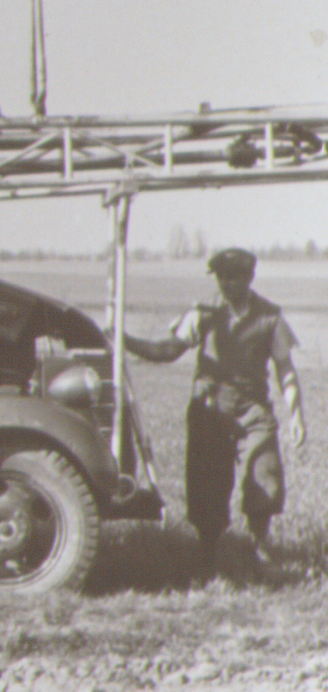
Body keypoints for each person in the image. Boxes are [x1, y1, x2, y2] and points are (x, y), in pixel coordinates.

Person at [123, 247, 306, 582]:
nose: (225, 283)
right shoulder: (203, 313)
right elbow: (167, 350)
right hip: (210, 407)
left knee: (265, 473)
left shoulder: (271, 317)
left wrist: (297, 415)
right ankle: (207, 554)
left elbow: (285, 369)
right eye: (221, 277)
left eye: (233, 277)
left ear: (249, 277)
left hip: (253, 409)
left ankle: (260, 550)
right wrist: (123, 341)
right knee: (206, 482)